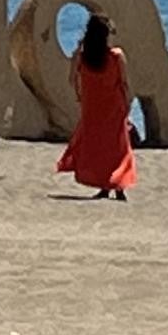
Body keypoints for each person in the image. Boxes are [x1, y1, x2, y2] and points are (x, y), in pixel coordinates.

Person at [56, 13, 137, 201]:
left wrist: (79, 96)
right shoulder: (116, 56)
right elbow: (124, 83)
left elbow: (71, 79)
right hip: (114, 106)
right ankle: (117, 187)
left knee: (99, 147)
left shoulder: (83, 58)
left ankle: (105, 187)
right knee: (117, 148)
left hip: (92, 107)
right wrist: (127, 104)